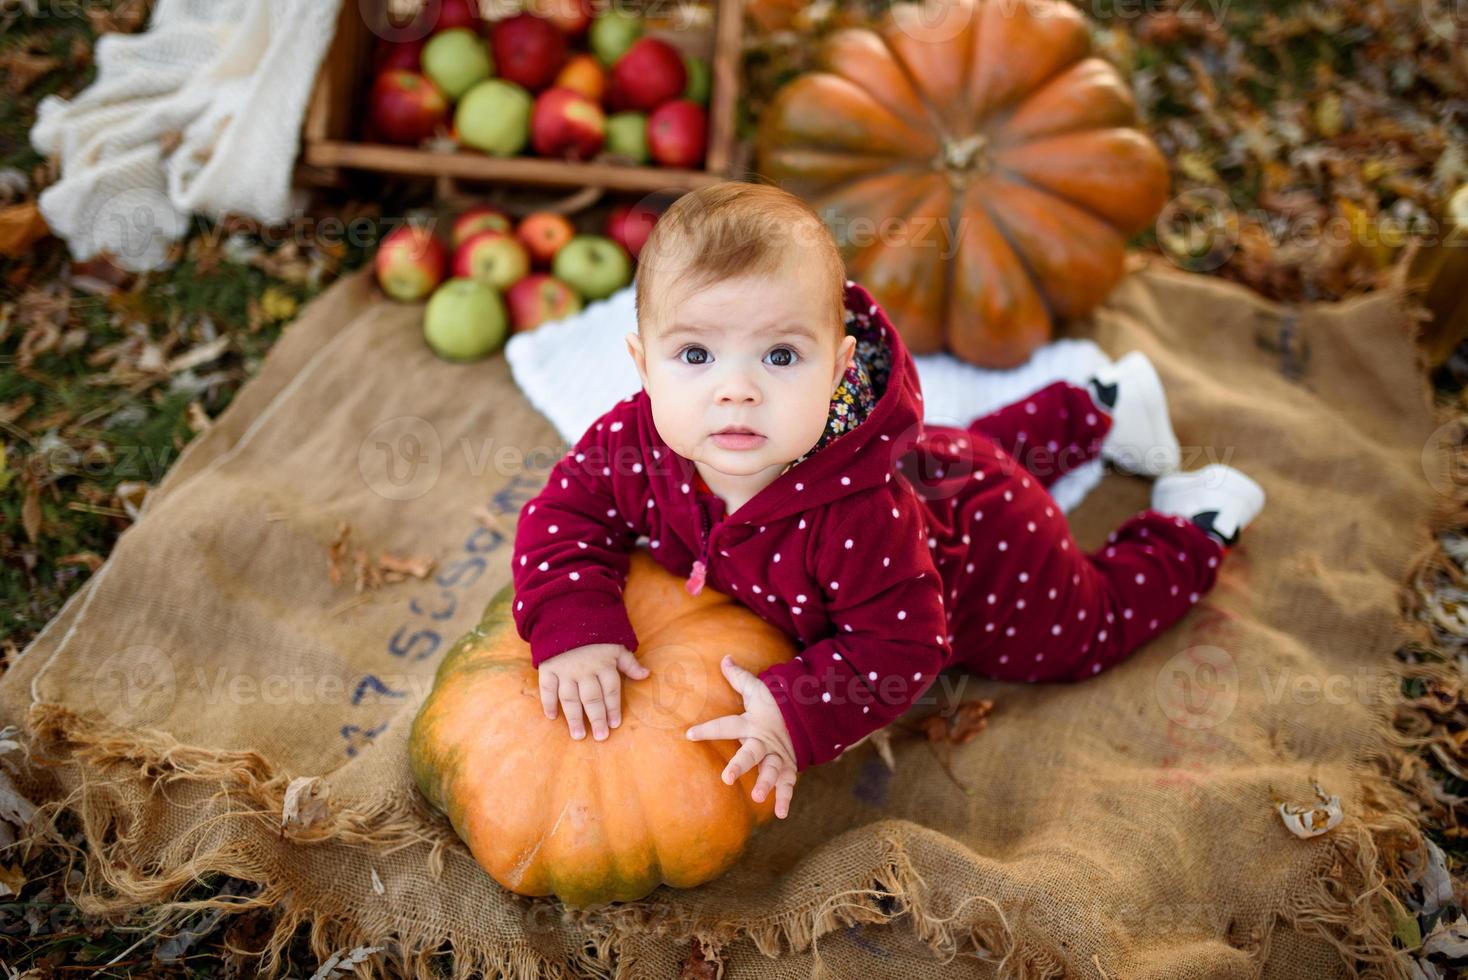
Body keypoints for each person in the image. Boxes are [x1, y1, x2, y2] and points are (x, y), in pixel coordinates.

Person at [510, 181, 1265, 820]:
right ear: (643, 363)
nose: (735, 388)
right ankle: (1099, 403)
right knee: (975, 449)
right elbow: (566, 515)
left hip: (993, 559)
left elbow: (900, 647)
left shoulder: (858, 519)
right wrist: (573, 623)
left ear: (840, 369)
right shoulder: (632, 443)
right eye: (696, 354)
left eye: (780, 355)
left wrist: (798, 709)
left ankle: (1197, 523)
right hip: (940, 466)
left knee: (1084, 629)